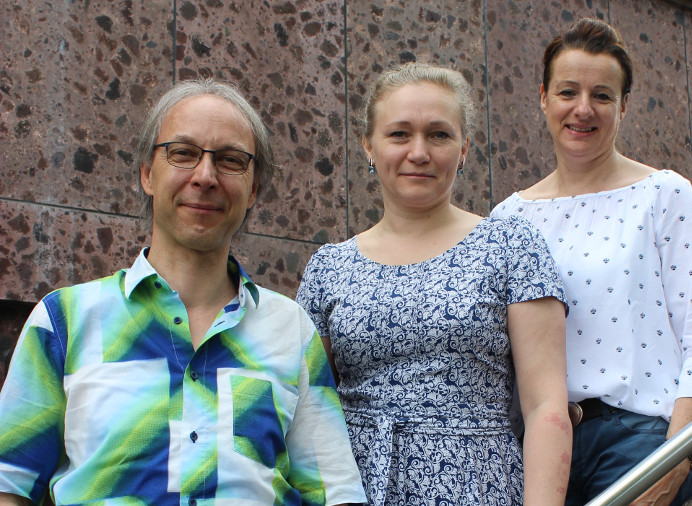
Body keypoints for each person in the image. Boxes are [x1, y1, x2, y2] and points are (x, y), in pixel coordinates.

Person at [0, 79, 366, 505]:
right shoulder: (64, 322)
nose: (205, 176)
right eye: (183, 153)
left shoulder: (292, 331)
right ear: (147, 173)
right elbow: (9, 484)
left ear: (253, 190)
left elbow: (337, 494)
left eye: (230, 160)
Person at [295, 62, 571, 505]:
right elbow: (305, 409)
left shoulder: (512, 246)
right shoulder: (328, 268)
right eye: (399, 134)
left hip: (477, 486)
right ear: (369, 146)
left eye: (439, 134)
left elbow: (545, 408)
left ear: (464, 148)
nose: (419, 152)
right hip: (351, 490)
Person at [492, 18, 692, 505]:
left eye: (602, 95)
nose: (583, 109)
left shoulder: (664, 196)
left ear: (623, 106)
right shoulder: (508, 217)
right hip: (538, 448)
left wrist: (673, 462)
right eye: (567, 92)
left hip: (639, 442)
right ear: (543, 98)